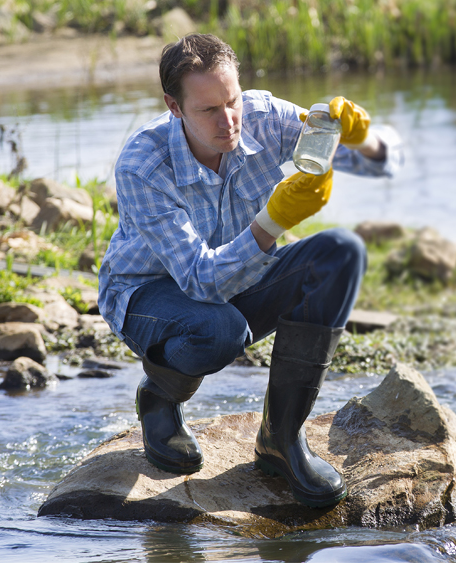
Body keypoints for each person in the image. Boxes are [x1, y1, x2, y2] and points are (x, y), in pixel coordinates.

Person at [97, 33, 402, 508]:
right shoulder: (143, 164)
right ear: (174, 107)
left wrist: (366, 139)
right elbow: (199, 280)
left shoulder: (263, 117)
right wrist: (272, 221)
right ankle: (160, 394)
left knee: (341, 250)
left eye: (232, 100)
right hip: (150, 295)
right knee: (220, 330)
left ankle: (281, 438)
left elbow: (379, 164)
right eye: (208, 111)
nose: (228, 121)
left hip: (240, 275)